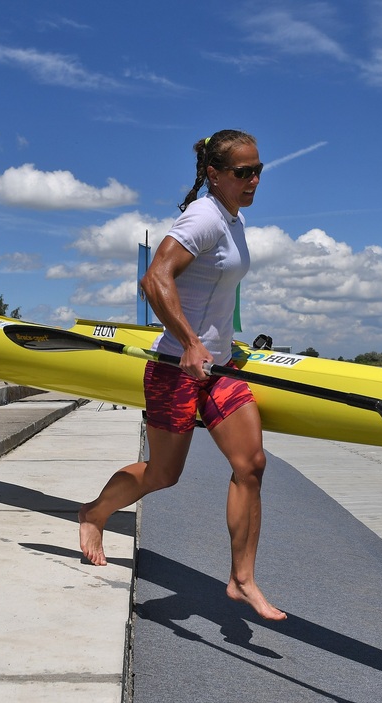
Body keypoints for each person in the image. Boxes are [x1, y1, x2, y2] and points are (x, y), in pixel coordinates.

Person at [77, 130, 285, 621]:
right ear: (214, 175)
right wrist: (192, 343)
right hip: (175, 367)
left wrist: (219, 345)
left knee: (251, 464)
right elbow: (155, 278)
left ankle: (241, 578)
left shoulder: (233, 220)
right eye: (243, 172)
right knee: (162, 475)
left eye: (258, 170)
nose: (253, 180)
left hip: (219, 368)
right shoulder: (204, 217)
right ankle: (94, 513)